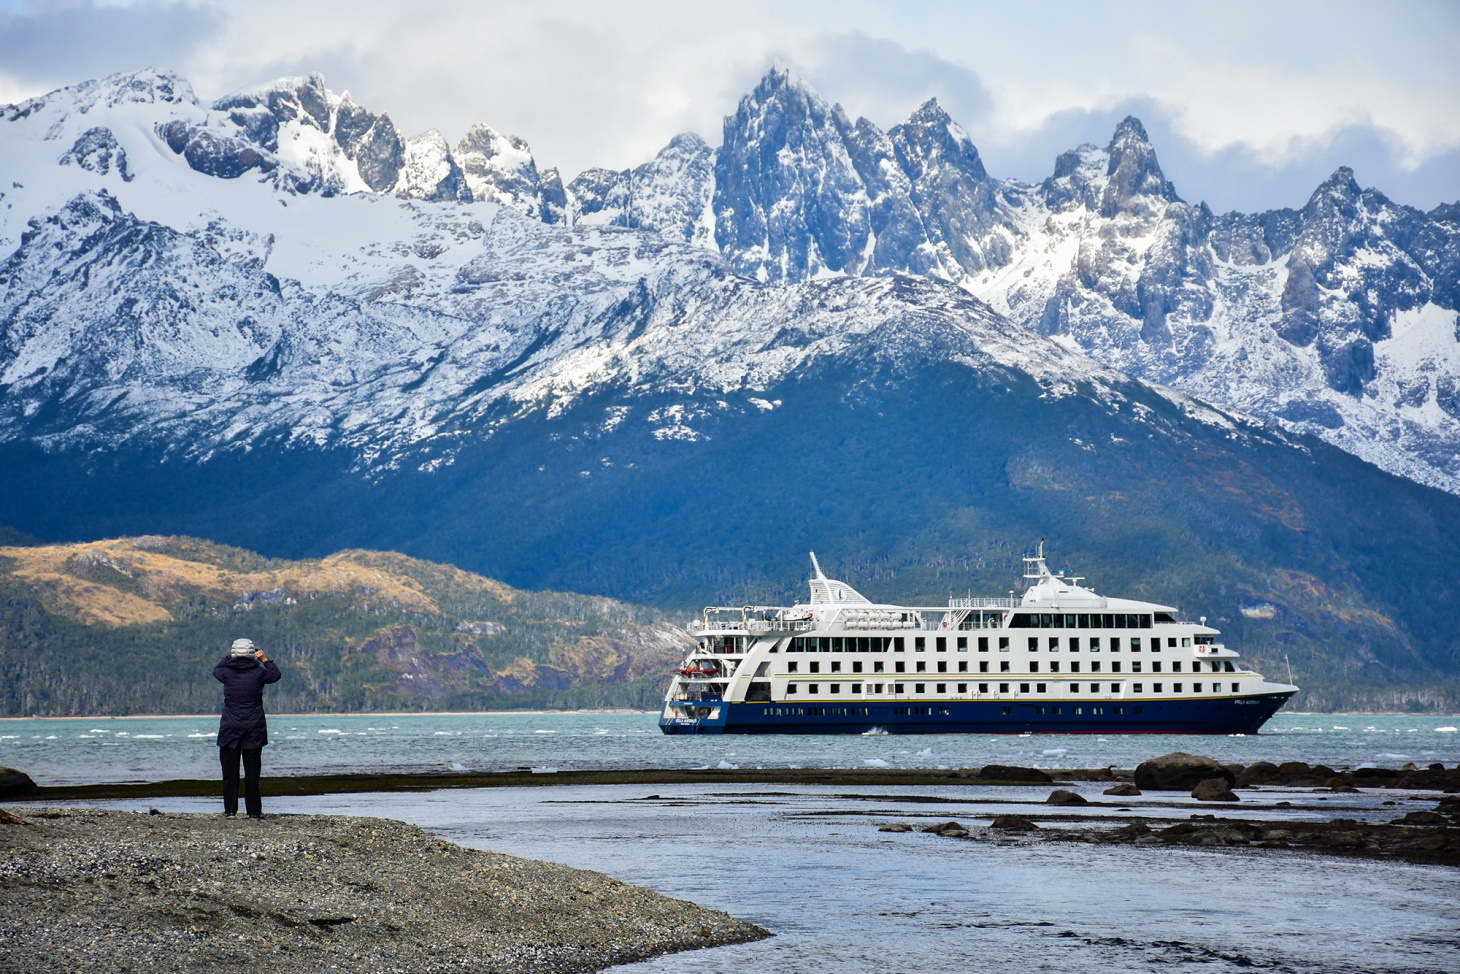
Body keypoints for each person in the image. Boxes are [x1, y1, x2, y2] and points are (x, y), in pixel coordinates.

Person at [213, 638, 282, 819]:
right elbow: (275, 674)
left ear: (234, 653)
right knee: (252, 774)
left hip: (230, 728)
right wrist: (265, 660)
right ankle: (254, 812)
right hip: (254, 728)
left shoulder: (225, 673)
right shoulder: (259, 673)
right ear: (253, 653)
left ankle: (230, 811)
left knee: (229, 773)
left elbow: (216, 670)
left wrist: (229, 658)